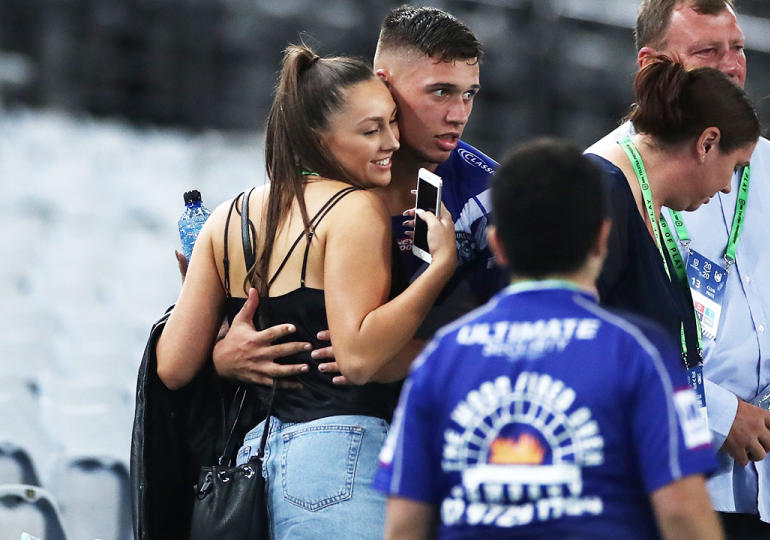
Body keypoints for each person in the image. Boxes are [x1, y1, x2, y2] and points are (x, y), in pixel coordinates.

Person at [586, 1, 770, 537]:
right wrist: (718, 415)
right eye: (708, 51)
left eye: (738, 48)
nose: (732, 65)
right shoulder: (608, 179)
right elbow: (601, 343)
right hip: (668, 488)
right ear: (653, 66)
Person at [155, 45, 456, 538]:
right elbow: (357, 357)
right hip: (338, 460)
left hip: (251, 462)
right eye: (370, 130)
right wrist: (440, 268)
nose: (392, 143)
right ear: (319, 139)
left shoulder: (224, 217)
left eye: (391, 123)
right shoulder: (354, 209)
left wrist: (223, 351)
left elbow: (173, 366)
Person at [375, 138, 723, 540]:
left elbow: (404, 524)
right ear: (601, 238)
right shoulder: (638, 353)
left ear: (498, 245)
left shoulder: (440, 357)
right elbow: (683, 513)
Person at [212, 5, 503, 387]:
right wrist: (221, 354)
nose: (459, 114)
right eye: (441, 92)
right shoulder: (319, 182)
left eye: (469, 94)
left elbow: (527, 334)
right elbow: (237, 308)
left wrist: (398, 358)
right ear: (385, 84)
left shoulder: (491, 199)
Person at [585, 55, 759, 422]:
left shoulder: (646, 202)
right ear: (708, 143)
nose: (729, 187)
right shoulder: (601, 193)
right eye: (735, 168)